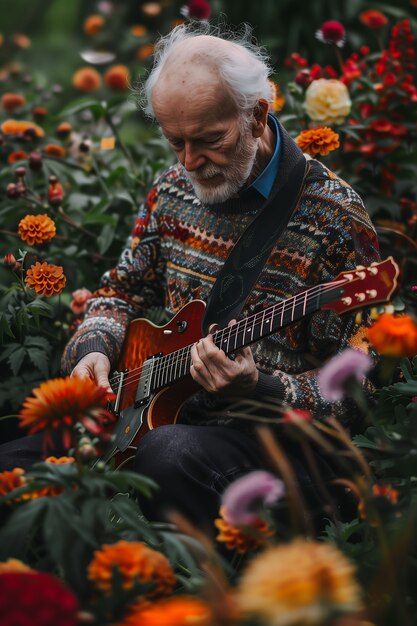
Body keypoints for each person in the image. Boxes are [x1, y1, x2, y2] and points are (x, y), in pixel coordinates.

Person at [0, 23, 380, 536]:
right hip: (152, 411)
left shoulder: (334, 218)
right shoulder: (172, 190)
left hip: (271, 444)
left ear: (257, 115)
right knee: (14, 462)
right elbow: (119, 291)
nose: (188, 161)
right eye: (174, 140)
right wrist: (94, 348)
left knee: (167, 455)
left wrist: (261, 386)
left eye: (208, 140)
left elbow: (361, 390)